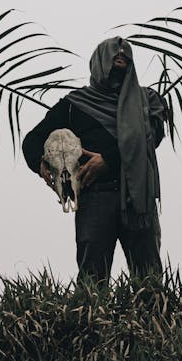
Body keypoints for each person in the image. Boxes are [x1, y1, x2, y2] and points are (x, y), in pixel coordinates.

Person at [22, 37, 168, 282]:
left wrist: (107, 160)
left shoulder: (147, 101)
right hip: (95, 199)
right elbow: (33, 139)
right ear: (99, 61)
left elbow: (148, 139)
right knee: (92, 279)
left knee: (148, 278)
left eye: (125, 53)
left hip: (137, 200)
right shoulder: (74, 105)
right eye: (114, 51)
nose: (121, 53)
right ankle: (92, 322)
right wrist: (42, 165)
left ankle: (153, 320)